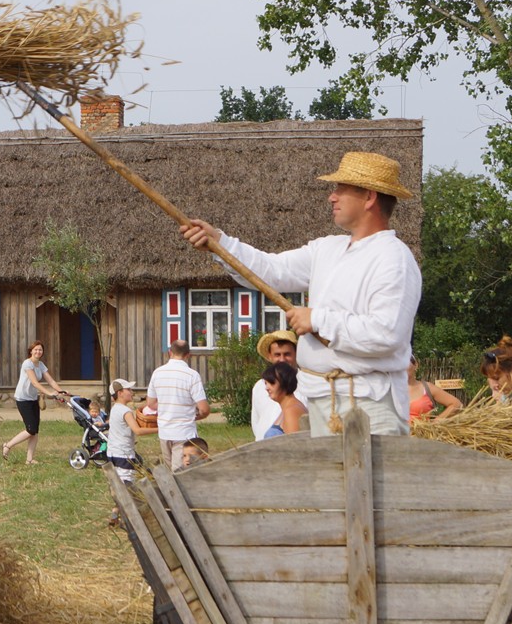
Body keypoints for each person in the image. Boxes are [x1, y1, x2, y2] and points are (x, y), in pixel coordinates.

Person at [180, 151, 420, 436]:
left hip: (370, 403)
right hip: (318, 399)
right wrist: (221, 243)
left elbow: (387, 334)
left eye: (340, 190)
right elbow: (271, 270)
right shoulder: (326, 249)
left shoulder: (393, 258)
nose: (332, 197)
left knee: (369, 482)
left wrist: (318, 320)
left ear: (369, 197)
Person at [2, 341, 68, 465]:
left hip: (32, 399)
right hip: (23, 399)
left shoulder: (41, 365)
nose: (38, 352)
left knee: (35, 431)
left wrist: (61, 391)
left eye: (40, 350)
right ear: (31, 351)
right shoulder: (27, 364)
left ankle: (29, 459)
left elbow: (51, 380)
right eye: (36, 350)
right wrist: (49, 394)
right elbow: (35, 383)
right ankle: (8, 445)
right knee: (30, 429)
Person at [147, 340, 210, 470]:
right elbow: (204, 409)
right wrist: (198, 416)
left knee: (171, 472)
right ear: (188, 355)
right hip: (184, 432)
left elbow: (151, 403)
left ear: (170, 352)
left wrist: (167, 406)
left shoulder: (157, 373)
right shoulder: (192, 375)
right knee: (181, 473)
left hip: (164, 431)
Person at [249, 329, 299, 441]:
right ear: (270, 356)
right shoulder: (259, 387)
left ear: (296, 354)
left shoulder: (307, 383)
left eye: (287, 354)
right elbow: (256, 422)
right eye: (277, 355)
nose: (282, 359)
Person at [106, 378, 143, 483]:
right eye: (129, 389)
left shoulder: (115, 408)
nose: (132, 392)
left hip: (112, 452)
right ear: (120, 393)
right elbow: (138, 431)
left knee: (117, 483)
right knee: (127, 485)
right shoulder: (126, 411)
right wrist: (159, 428)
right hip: (124, 454)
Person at [260, 363, 307, 437]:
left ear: (285, 382)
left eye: (272, 383)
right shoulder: (287, 408)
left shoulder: (292, 410)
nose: (267, 388)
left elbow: (295, 444)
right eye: (266, 383)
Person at [406, 356, 460, 420]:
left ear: (416, 365)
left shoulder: (427, 388)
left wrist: (436, 422)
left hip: (421, 429)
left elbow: (456, 404)